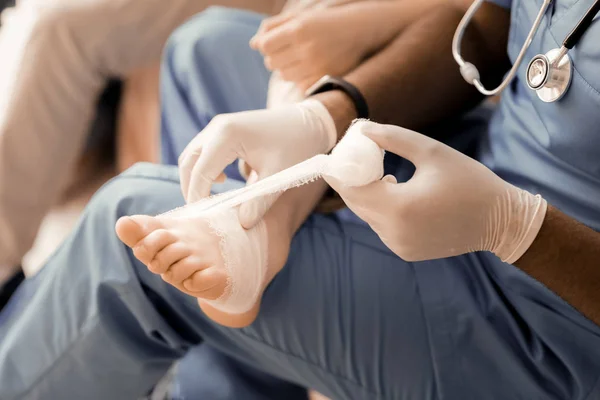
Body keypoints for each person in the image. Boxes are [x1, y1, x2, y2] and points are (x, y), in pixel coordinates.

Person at [2, 2, 600, 400]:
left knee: (128, 224)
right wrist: (326, 115)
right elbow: (498, 21)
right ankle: (267, 238)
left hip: (547, 324)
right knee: (203, 48)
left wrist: (518, 227)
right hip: (492, 154)